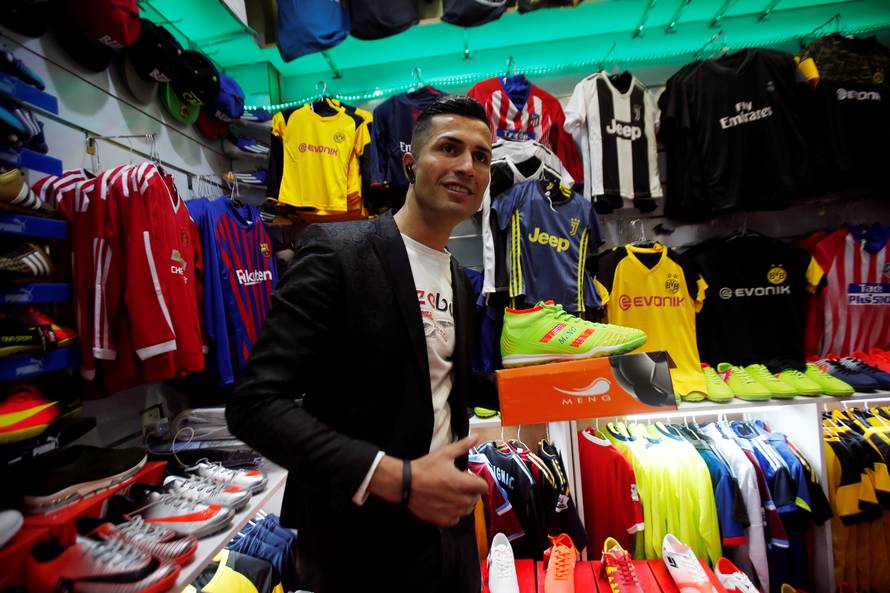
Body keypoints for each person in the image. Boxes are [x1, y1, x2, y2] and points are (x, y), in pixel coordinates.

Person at [226, 95, 499, 593]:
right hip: (358, 541)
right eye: (450, 148)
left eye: (481, 156)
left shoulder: (459, 278)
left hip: (447, 532)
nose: (467, 166)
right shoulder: (338, 252)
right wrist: (396, 477)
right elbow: (255, 404)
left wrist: (559, 381)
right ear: (410, 164)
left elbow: (433, 376)